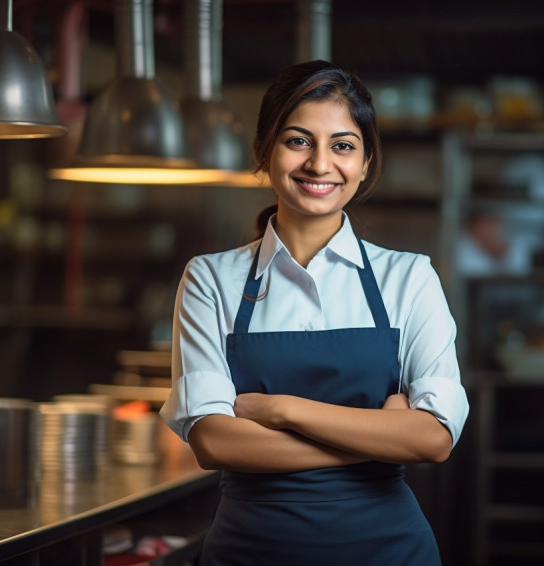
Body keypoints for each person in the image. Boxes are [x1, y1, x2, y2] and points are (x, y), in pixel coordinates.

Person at [160, 59, 469, 566]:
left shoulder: (410, 278)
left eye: (343, 145)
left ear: (366, 162)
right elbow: (213, 442)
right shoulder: (211, 279)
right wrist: (383, 436)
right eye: (298, 140)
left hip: (388, 551)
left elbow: (434, 439)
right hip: (250, 552)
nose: (320, 164)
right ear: (265, 151)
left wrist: (282, 410)